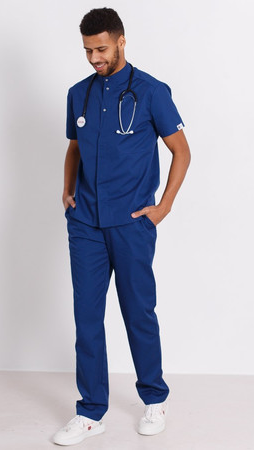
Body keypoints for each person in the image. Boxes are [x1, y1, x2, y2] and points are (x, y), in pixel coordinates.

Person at [53, 7, 191, 446]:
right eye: (87, 51)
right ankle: (90, 412)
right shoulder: (79, 93)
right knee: (87, 319)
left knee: (138, 313)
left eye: (101, 49)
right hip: (86, 225)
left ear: (121, 42)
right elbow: (74, 147)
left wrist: (163, 206)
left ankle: (154, 398)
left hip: (131, 223)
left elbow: (181, 151)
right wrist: (67, 190)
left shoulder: (151, 91)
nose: (94, 58)